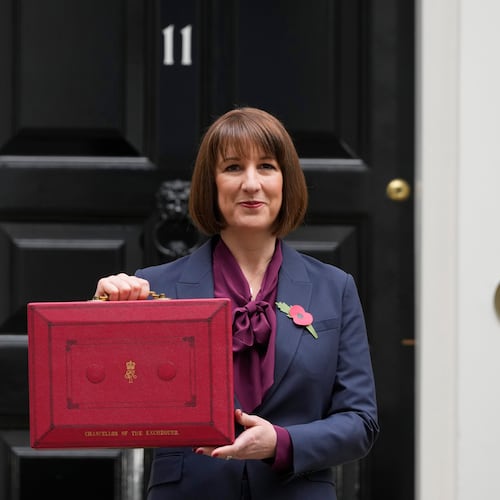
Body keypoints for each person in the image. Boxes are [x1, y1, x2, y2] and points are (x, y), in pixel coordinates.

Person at [94, 107, 379, 500]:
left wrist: (280, 443)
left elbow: (360, 423)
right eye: (232, 167)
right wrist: (101, 318)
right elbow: (112, 404)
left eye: (265, 166)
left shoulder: (335, 288)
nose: (250, 183)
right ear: (211, 183)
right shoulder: (156, 286)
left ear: (286, 181)